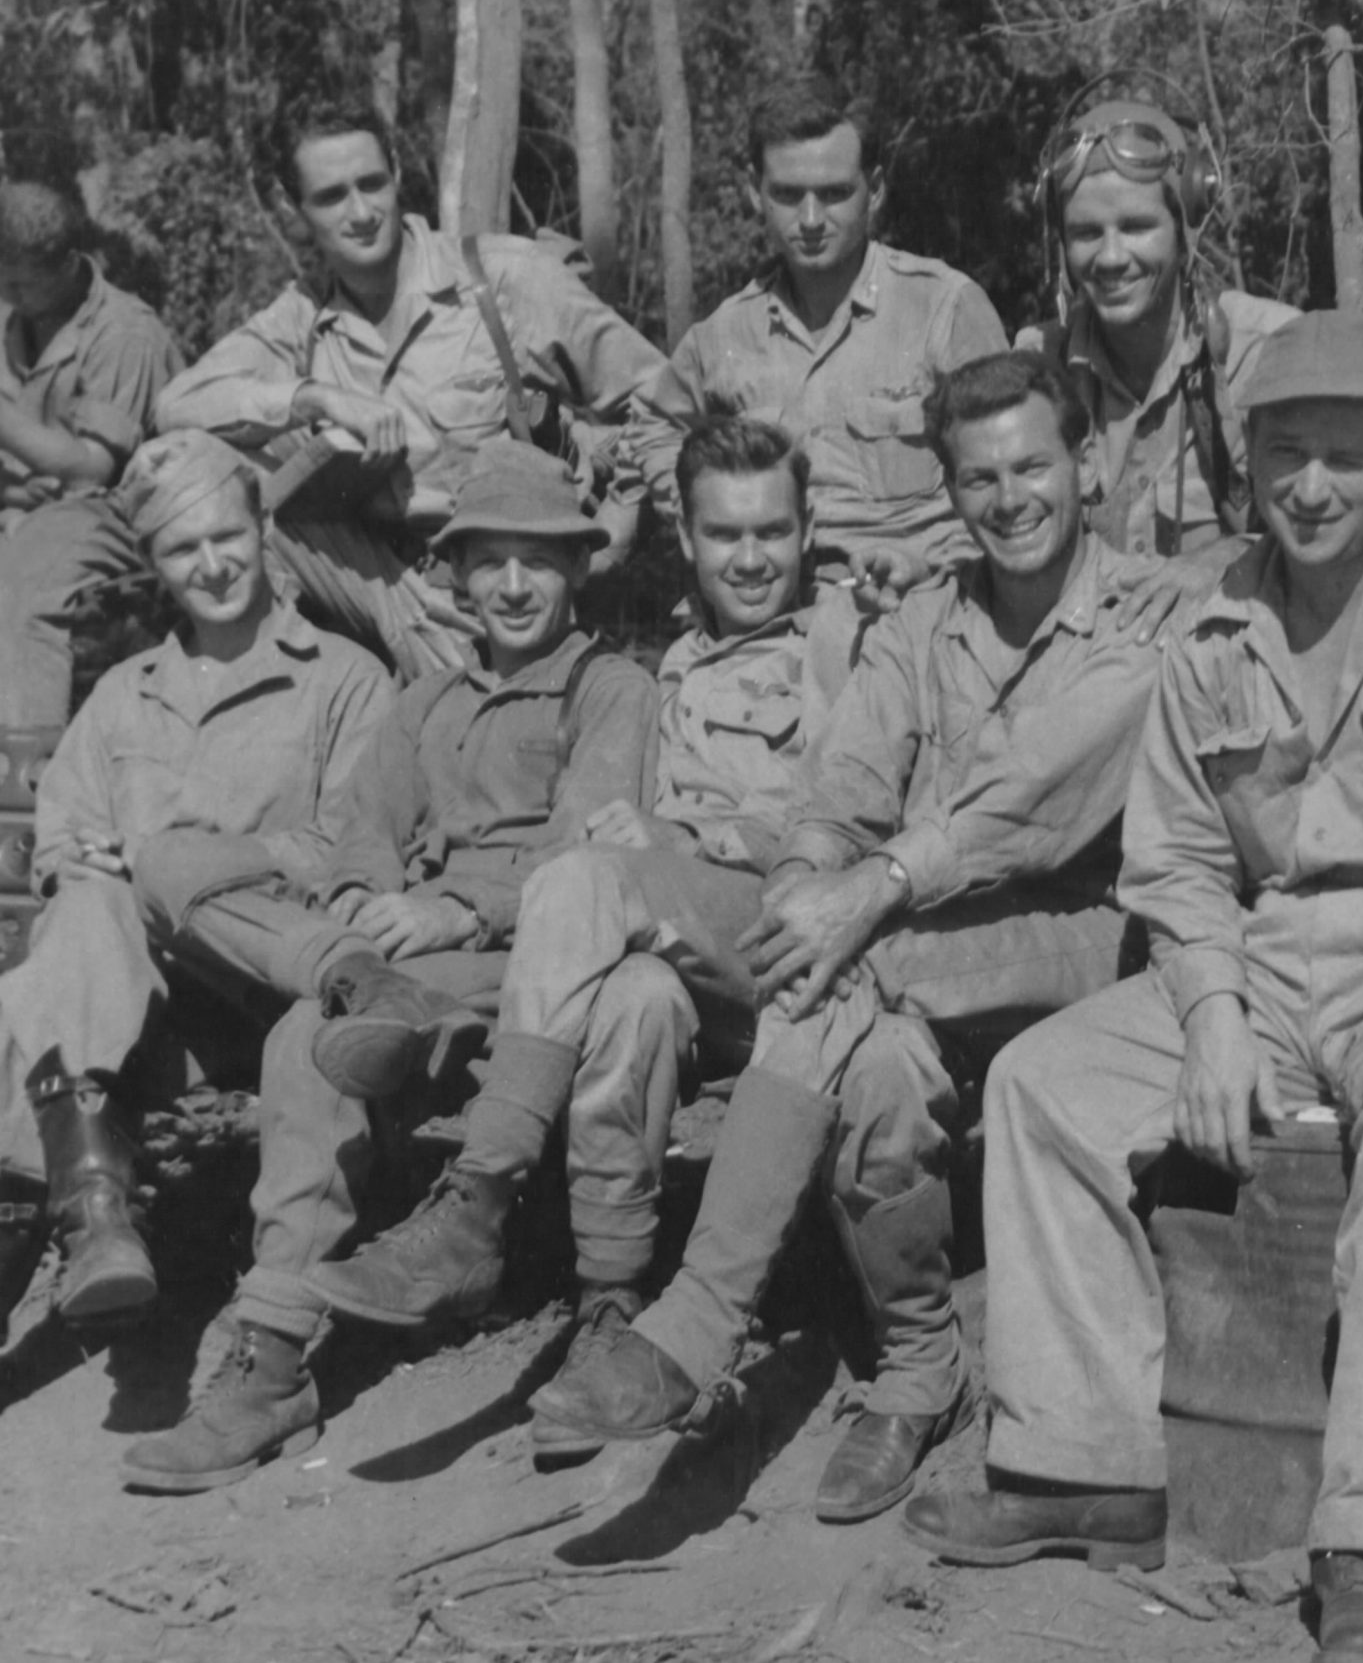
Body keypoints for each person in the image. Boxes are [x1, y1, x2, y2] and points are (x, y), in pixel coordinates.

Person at [902, 312, 1363, 1663]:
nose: (1313, 487)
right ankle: (1080, 1464)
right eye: (1284, 455)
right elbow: (1175, 852)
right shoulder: (1216, 619)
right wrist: (1211, 1014)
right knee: (1044, 1085)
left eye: (1345, 454)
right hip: (1266, 967)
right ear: (1248, 459)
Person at [532, 348, 1167, 1527]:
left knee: (850, 963)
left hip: (1089, 935)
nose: (1010, 498)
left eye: (1033, 466)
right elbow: (841, 792)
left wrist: (865, 891)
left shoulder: (1146, 614)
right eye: (978, 478)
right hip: (920, 947)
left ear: (1086, 465)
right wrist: (803, 885)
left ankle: (700, 1318)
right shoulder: (925, 622)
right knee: (871, 1061)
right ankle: (921, 1363)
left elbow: (1030, 804)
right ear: (949, 489)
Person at [118, 442, 659, 1493]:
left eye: (537, 561)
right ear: (455, 575)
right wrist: (367, 896)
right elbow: (363, 829)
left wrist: (451, 907)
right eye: (488, 562)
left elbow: (588, 864)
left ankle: (272, 1349)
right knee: (169, 870)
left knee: (302, 1034)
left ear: (577, 569)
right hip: (408, 960)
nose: (512, 586)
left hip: (534, 962)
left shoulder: (609, 687)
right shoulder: (429, 699)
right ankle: (275, 1358)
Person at [303, 416, 846, 1409]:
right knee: (635, 994)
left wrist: (684, 840)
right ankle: (610, 1299)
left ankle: (479, 1198)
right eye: (725, 534)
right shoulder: (676, 662)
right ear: (687, 541)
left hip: (789, 935)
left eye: (772, 531)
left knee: (582, 878)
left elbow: (856, 811)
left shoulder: (843, 644)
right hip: (686, 954)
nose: (750, 557)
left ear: (809, 533)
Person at [0, 433, 390, 1330]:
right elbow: (60, 832)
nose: (211, 565)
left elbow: (346, 846)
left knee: (29, 1033)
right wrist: (76, 859)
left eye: (228, 536)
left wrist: (163, 859)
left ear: (263, 528)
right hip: (128, 999)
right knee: (84, 907)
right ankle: (97, 1217)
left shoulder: (343, 681)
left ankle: (83, 1208)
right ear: (152, 563)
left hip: (256, 986)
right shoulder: (124, 693)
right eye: (182, 548)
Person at [154, 95, 664, 681]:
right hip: (373, 585)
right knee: (198, 462)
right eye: (331, 196)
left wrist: (616, 530)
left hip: (498, 584)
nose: (361, 212)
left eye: (372, 184)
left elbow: (661, 397)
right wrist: (314, 397)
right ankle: (268, 686)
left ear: (396, 171)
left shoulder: (500, 280)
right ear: (293, 207)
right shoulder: (300, 320)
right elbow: (177, 406)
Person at [624, 72, 1007, 660]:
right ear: (754, 193)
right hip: (769, 634)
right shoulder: (726, 334)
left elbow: (1008, 473)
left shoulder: (942, 309)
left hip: (921, 621)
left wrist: (937, 563)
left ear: (875, 190)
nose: (809, 219)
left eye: (833, 194)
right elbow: (653, 423)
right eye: (786, 194)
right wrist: (701, 505)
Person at [1023, 86, 1297, 618]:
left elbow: (1336, 526)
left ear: (1184, 225)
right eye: (1086, 233)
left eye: (1136, 227)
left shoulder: (1266, 352)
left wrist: (1226, 559)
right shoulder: (1038, 366)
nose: (1110, 257)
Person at [0, 177, 185, 731]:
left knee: (22, 589)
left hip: (112, 511)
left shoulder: (125, 332)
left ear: (68, 265)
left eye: (22, 283)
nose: (10, 294)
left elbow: (91, 469)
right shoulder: (10, 318)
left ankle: (24, 764)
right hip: (26, 506)